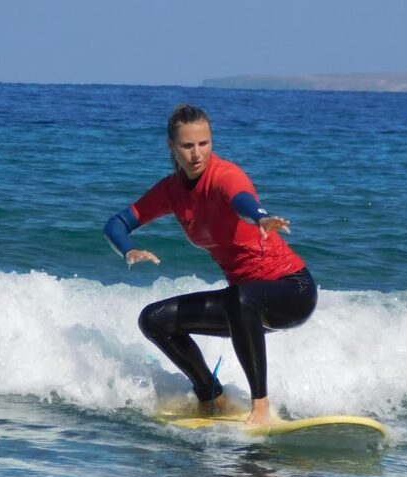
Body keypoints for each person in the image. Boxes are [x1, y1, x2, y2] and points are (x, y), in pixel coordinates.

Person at [103, 104, 317, 425]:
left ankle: (261, 407)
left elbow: (242, 200)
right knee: (154, 320)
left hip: (293, 291)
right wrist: (128, 250)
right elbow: (117, 223)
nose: (196, 153)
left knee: (239, 296)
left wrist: (260, 217)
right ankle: (211, 396)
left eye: (204, 143)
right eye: (187, 146)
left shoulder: (224, 176)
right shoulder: (171, 190)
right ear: (172, 147)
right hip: (242, 306)